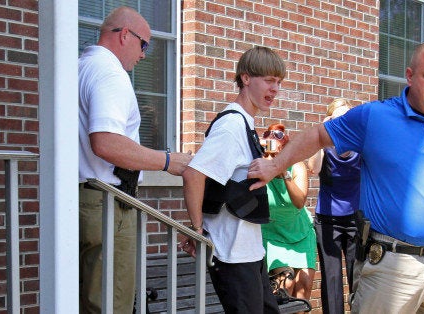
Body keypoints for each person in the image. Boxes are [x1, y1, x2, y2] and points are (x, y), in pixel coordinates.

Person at [248, 41, 424, 313]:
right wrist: (275, 167)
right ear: (409, 75)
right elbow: (317, 135)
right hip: (392, 267)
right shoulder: (375, 117)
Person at [78, 6, 193, 313]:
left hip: (83, 199)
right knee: (110, 303)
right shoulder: (110, 72)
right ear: (124, 35)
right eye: (144, 45)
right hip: (106, 203)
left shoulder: (81, 66)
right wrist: (168, 161)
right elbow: (106, 141)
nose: (144, 55)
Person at [180, 46, 285, 313]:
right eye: (269, 80)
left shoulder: (245, 122)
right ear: (246, 78)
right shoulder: (232, 125)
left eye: (279, 83)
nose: (275, 89)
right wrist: (196, 229)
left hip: (249, 250)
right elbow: (194, 173)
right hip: (231, 252)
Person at [307, 98, 361, 314]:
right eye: (339, 117)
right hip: (328, 219)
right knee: (331, 278)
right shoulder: (325, 145)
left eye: (347, 116)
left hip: (355, 218)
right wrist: (323, 131)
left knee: (358, 276)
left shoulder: (360, 142)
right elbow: (313, 167)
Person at [260, 123, 317, 304]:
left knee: (305, 285)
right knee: (285, 284)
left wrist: (282, 169)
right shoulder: (260, 167)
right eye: (268, 148)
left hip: (300, 232)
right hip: (273, 233)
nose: (273, 155)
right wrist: (266, 164)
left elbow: (299, 202)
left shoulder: (296, 167)